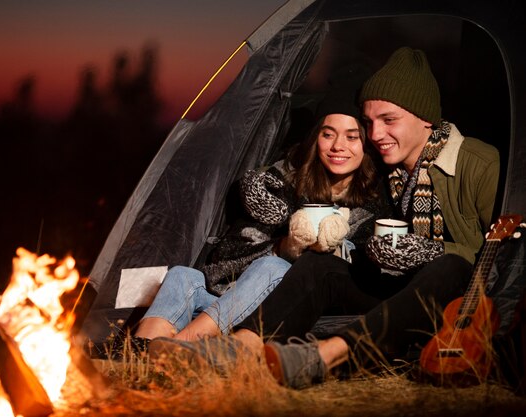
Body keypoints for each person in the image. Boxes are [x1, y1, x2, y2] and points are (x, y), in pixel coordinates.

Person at [149, 47, 500, 389]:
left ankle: (325, 354)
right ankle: (241, 347)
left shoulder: (479, 163)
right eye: (370, 123)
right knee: (319, 266)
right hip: (399, 292)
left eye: (389, 120)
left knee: (450, 265)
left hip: (456, 297)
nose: (376, 135)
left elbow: (504, 256)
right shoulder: (392, 175)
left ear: (426, 118)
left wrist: (427, 252)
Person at [109, 77, 391, 358]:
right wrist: (286, 245)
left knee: (273, 266)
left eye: (352, 137)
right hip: (236, 300)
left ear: (366, 144)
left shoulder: (372, 205)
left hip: (280, 313)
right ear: (316, 137)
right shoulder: (283, 184)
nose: (338, 146)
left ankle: (178, 352)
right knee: (183, 276)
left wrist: (326, 249)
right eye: (328, 134)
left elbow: (359, 274)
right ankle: (138, 353)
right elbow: (230, 253)